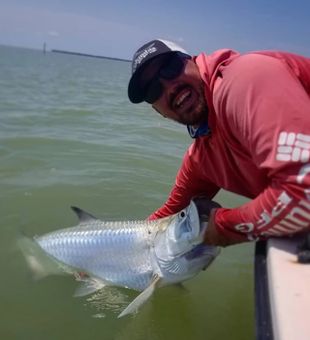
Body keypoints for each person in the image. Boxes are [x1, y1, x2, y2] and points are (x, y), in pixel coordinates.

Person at [127, 39, 310, 247]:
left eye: (170, 68)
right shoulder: (203, 155)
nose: (169, 87)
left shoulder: (244, 79)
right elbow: (167, 216)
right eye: (153, 91)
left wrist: (223, 227)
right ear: (158, 111)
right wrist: (105, 253)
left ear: (192, 61)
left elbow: (304, 192)